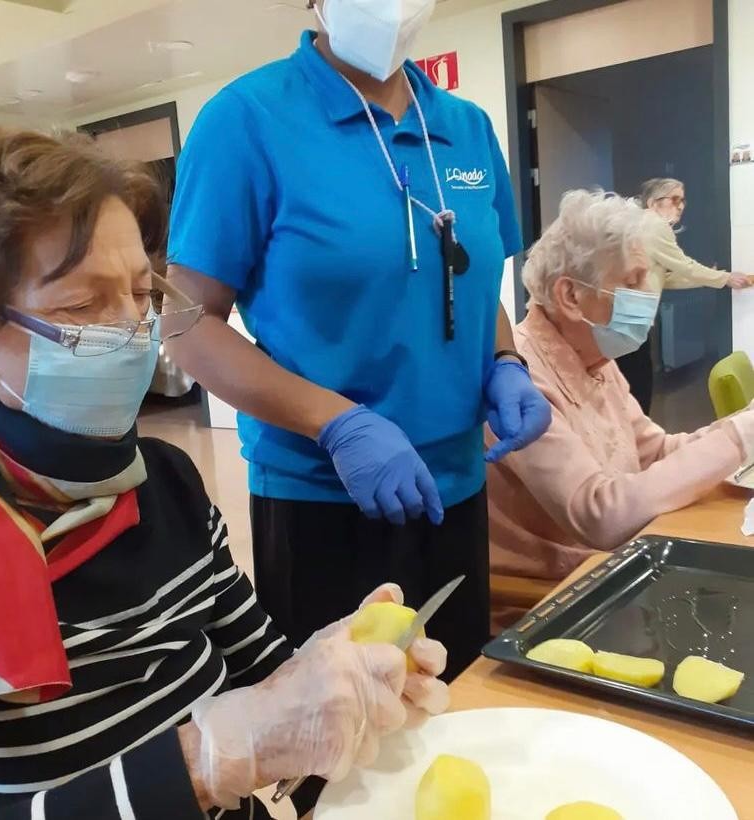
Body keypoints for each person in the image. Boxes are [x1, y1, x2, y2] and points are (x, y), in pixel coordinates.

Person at [0, 126, 449, 819]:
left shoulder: (164, 480)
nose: (133, 333)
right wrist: (210, 761)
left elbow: (264, 670)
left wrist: (340, 677)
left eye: (142, 295)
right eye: (81, 306)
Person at [166, 0, 551, 678]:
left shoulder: (466, 126)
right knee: (341, 723)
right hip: (322, 498)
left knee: (450, 696)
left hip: (458, 486)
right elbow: (186, 324)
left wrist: (504, 359)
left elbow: (465, 274)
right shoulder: (247, 120)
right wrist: (335, 423)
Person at [486, 190, 754, 629]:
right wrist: (741, 435)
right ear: (571, 296)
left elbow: (657, 452)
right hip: (545, 608)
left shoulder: (595, 361)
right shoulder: (520, 378)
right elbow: (601, 514)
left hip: (608, 577)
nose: (648, 296)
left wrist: (741, 427)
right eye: (633, 282)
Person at [617, 177, 752, 413]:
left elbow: (666, 278)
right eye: (674, 199)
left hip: (627, 320)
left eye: (683, 200)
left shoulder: (640, 225)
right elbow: (685, 266)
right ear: (653, 203)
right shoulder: (654, 225)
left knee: (629, 386)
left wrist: (713, 278)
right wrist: (725, 278)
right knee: (637, 389)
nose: (680, 206)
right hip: (630, 320)